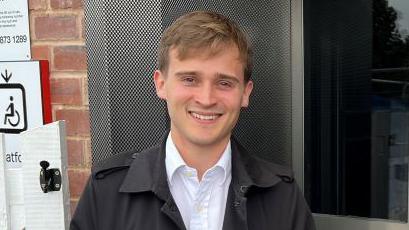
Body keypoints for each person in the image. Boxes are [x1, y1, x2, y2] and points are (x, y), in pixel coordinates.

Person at [70, 11, 316, 230]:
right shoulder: (107, 191)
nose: (206, 99)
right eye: (189, 79)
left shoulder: (282, 196)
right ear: (161, 84)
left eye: (224, 83)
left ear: (245, 93)